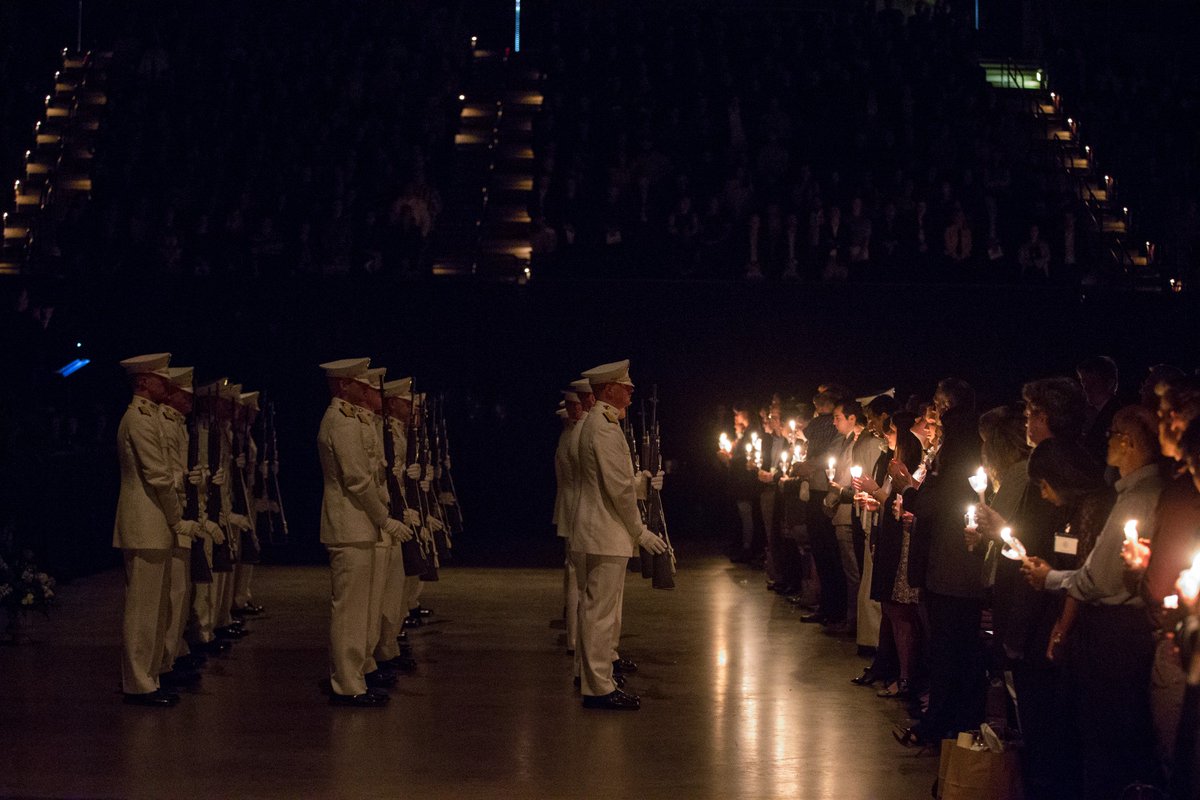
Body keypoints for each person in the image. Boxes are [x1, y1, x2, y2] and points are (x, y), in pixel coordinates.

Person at [1022, 405, 1163, 799]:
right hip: (1121, 628)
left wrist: (1051, 580)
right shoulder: (1134, 493)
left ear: (1128, 442)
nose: (1106, 441)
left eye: (1112, 434)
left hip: (1114, 632)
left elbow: (1098, 577)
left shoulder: (1136, 498)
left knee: (1103, 739)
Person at [891, 378, 984, 746]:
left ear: (947, 406)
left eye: (938, 404)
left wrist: (906, 488)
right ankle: (954, 720)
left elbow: (937, 501)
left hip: (950, 559)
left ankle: (945, 721)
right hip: (954, 560)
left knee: (949, 645)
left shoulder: (957, 445)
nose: (934, 413)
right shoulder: (965, 442)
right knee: (956, 645)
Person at [570, 359, 667, 710]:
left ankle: (591, 676)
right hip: (605, 530)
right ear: (609, 390)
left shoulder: (598, 424)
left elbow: (615, 481)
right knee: (600, 613)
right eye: (626, 387)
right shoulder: (604, 428)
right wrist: (639, 531)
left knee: (594, 610)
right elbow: (618, 489)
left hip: (598, 528)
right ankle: (599, 688)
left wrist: (642, 482)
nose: (631, 391)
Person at [317, 358, 413, 707]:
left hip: (358, 524)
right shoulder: (341, 422)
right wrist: (384, 519)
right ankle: (347, 682)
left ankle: (356, 673)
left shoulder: (351, 419)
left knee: (359, 610)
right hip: (349, 523)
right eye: (360, 384)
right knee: (350, 611)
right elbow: (357, 480)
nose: (367, 390)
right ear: (344, 385)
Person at [114, 353, 198, 707]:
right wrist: (177, 518)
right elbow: (158, 476)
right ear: (143, 382)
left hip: (152, 522)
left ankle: (150, 675)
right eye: (161, 380)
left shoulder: (147, 417)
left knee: (156, 607)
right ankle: (139, 681)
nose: (167, 385)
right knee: (143, 609)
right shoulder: (139, 419)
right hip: (145, 520)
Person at [373, 377, 423, 673]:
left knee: (397, 589)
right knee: (388, 592)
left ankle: (389, 646)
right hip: (389, 515)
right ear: (393, 403)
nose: (412, 410)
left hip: (400, 512)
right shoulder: (385, 431)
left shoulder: (400, 431)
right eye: (407, 404)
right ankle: (384, 649)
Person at [553, 389, 584, 653]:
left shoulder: (567, 436)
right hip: (578, 509)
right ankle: (576, 638)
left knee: (572, 572)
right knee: (577, 575)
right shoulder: (573, 436)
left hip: (570, 508)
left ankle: (575, 635)